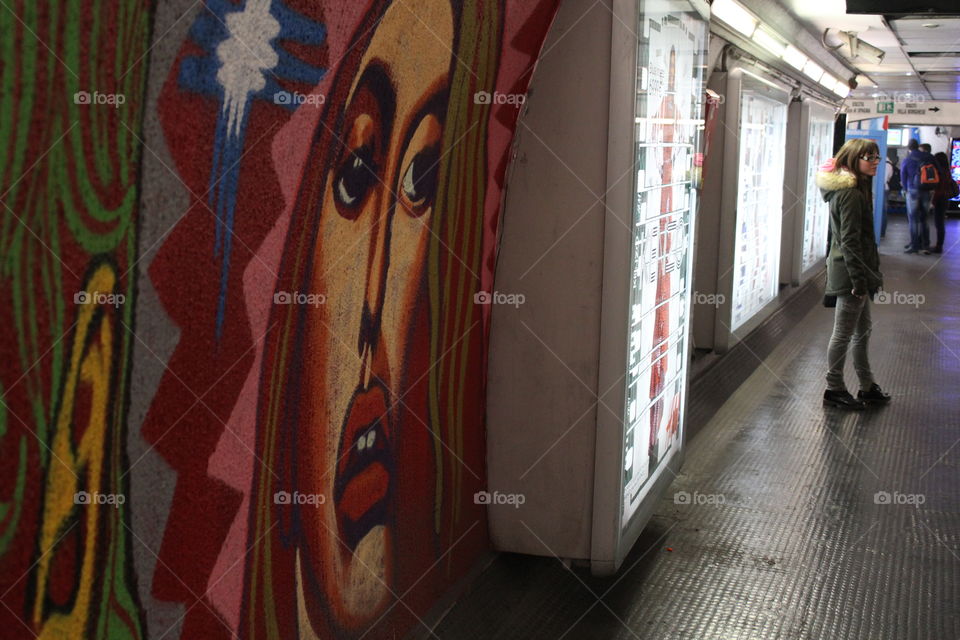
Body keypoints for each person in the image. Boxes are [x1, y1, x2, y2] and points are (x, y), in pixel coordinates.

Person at [817, 138, 890, 410]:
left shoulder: (857, 189)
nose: (874, 162)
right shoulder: (850, 194)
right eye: (868, 157)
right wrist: (860, 281)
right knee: (844, 334)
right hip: (850, 275)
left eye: (876, 157)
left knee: (862, 332)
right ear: (853, 160)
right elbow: (849, 241)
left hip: (857, 272)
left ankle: (867, 386)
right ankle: (834, 387)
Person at [900, 139, 936, 255]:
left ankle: (915, 246)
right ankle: (926, 245)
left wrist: (905, 189)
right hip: (926, 190)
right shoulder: (929, 157)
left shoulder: (908, 159)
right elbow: (937, 171)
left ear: (909, 148)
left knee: (913, 219)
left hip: (913, 191)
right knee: (924, 219)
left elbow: (903, 175)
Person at [931, 151, 957, 253]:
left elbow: (939, 190)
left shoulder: (940, 173)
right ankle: (939, 245)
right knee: (940, 223)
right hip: (945, 199)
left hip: (940, 199)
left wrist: (933, 201)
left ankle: (939, 246)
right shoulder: (947, 171)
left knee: (939, 223)